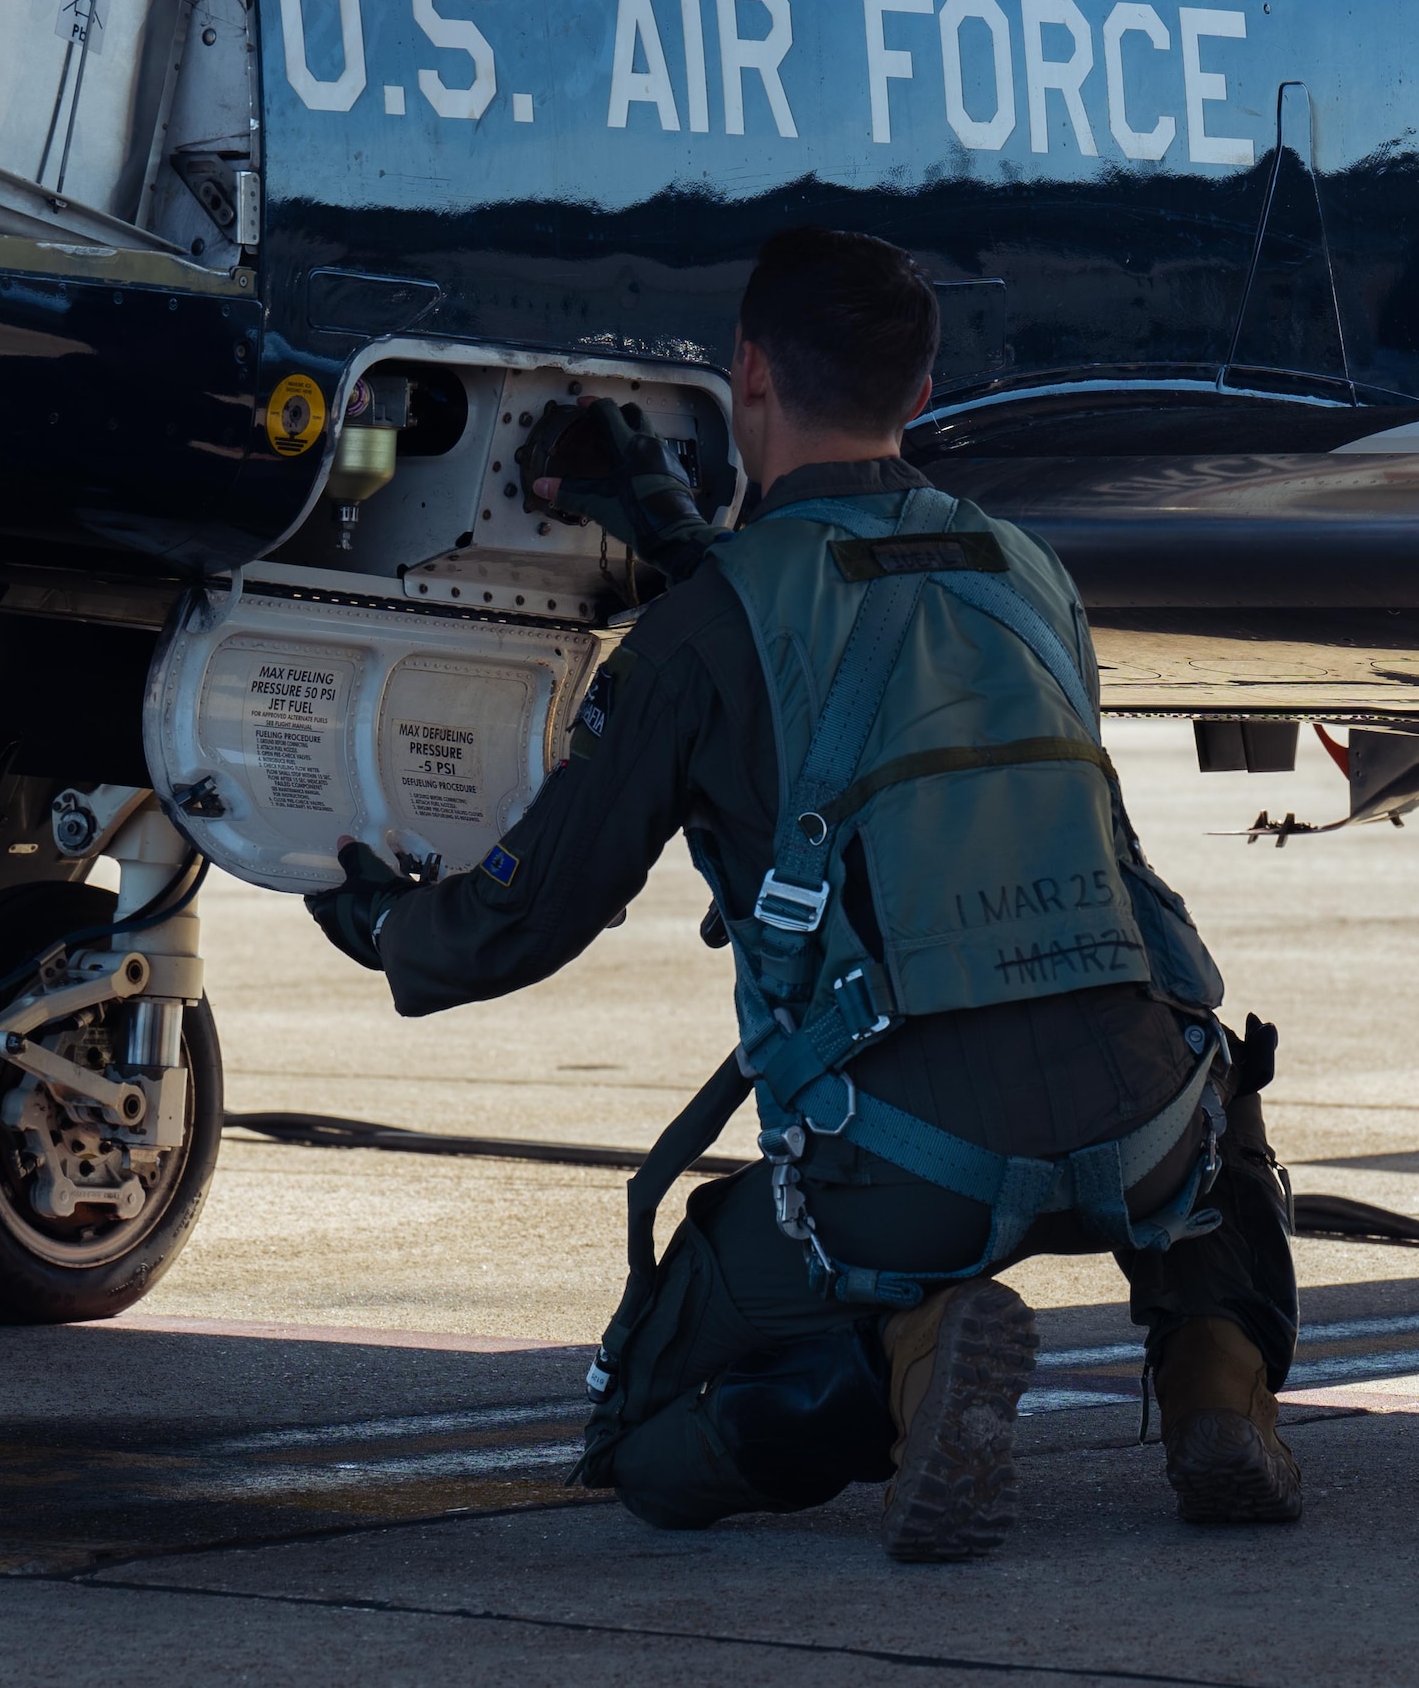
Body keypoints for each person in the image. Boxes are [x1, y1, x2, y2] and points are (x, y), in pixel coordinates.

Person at [307, 228, 1301, 1561]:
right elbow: (865, 620)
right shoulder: (1034, 576)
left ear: (749, 371)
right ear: (927, 391)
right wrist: (664, 525)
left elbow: (527, 913)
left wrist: (381, 923)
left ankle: (901, 1363)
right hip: (1144, 1126)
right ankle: (1215, 1389)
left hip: (906, 1172)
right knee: (1227, 1125)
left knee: (653, 1446)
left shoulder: (702, 630)